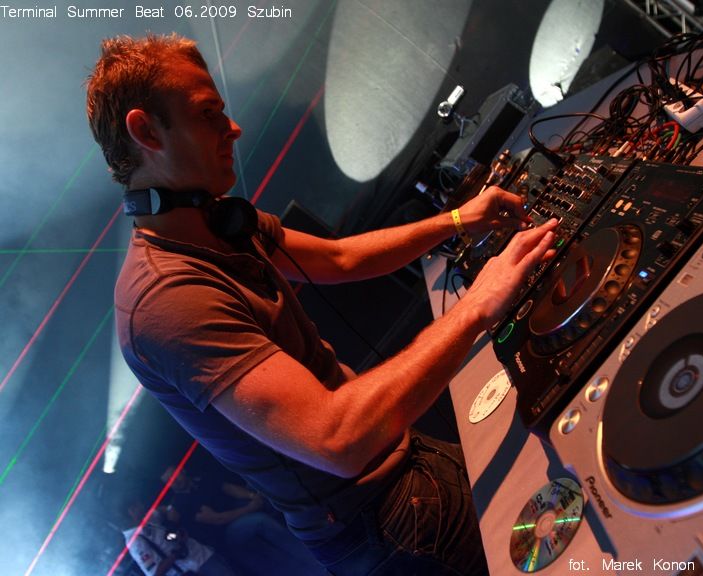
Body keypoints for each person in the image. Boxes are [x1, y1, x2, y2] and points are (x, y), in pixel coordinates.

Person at [86, 33, 558, 575]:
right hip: (386, 524)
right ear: (147, 132)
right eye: (208, 114)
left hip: (406, 473)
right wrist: (477, 305)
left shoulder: (219, 222)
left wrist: (457, 220)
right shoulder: (167, 300)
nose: (232, 128)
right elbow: (337, 438)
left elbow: (340, 259)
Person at [161, 465, 325, 575]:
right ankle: (315, 558)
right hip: (225, 533)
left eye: (175, 475)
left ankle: (318, 525)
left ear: (182, 470)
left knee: (258, 489)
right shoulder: (181, 504)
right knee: (259, 521)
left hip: (235, 510)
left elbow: (228, 488)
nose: (176, 481)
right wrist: (250, 508)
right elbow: (218, 519)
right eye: (170, 481)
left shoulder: (201, 479)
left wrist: (253, 496)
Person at [122, 495, 240, 576]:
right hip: (188, 570)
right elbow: (155, 573)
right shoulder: (135, 541)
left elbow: (161, 510)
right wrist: (177, 552)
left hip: (202, 555)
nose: (143, 506)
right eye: (138, 505)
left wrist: (170, 511)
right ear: (131, 511)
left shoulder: (148, 520)